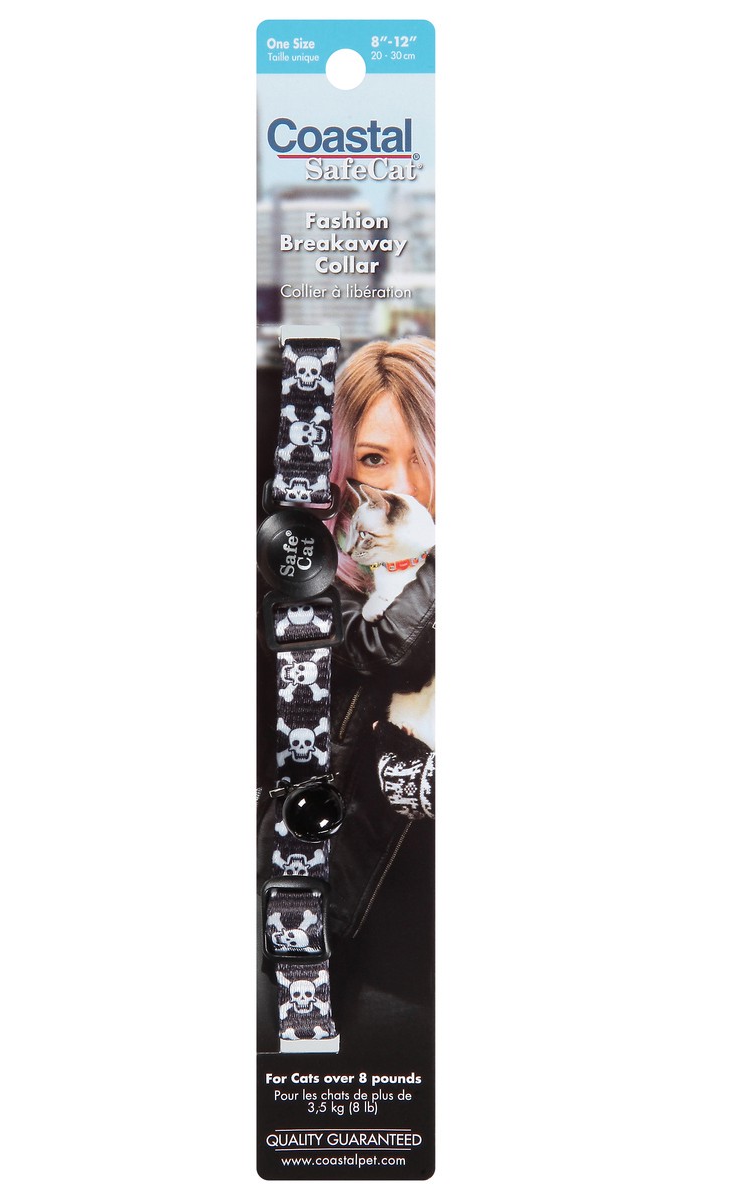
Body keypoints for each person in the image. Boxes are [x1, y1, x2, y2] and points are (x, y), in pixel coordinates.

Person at [324, 338, 436, 1021]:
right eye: (374, 459)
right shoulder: (316, 588)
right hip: (363, 962)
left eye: (426, 456)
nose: (405, 485)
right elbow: (394, 652)